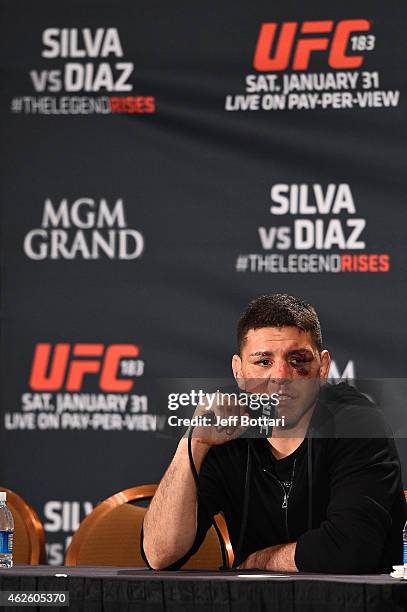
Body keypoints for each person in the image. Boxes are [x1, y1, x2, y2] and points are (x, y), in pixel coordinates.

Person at [142, 294, 405, 572]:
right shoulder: (227, 429)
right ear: (239, 371)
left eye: (297, 360)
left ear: (323, 367)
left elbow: (349, 549)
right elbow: (160, 554)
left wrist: (259, 561)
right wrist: (193, 443)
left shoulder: (355, 421)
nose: (281, 376)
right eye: (263, 362)